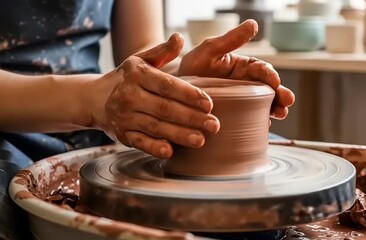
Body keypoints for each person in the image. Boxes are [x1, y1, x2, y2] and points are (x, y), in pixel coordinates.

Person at [0, 1, 295, 239]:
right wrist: (89, 101)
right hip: (11, 125)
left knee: (276, 188)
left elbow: (142, 48)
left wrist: (183, 82)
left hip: (100, 121)